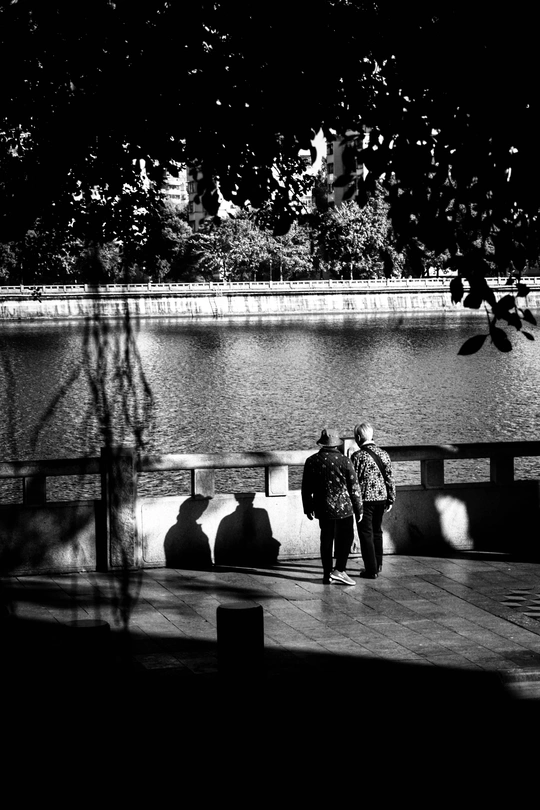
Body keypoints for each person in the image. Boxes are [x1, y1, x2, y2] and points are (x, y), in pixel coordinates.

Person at [301, 428, 363, 585]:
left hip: (323, 507)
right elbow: (354, 487)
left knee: (326, 540)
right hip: (344, 508)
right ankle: (339, 570)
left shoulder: (311, 461)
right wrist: (359, 509)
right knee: (346, 538)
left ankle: (327, 574)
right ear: (337, 444)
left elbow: (306, 488)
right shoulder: (344, 461)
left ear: (322, 443)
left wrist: (308, 507)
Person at [350, 422, 395, 579]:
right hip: (381, 499)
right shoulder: (384, 454)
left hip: (365, 501)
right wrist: (391, 499)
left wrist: (354, 502)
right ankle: (378, 564)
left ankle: (371, 569)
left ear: (358, 437)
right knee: (377, 531)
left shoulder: (357, 456)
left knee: (366, 534)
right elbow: (389, 478)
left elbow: (354, 482)